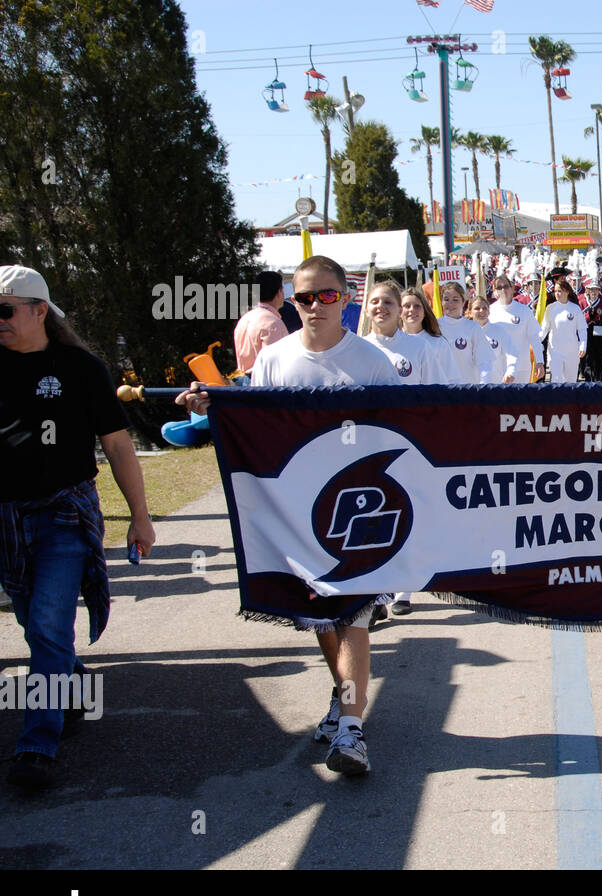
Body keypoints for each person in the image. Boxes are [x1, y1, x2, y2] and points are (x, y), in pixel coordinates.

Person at [177, 255, 400, 777]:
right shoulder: (274, 360)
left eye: (327, 295)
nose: (315, 306)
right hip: (299, 510)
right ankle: (342, 699)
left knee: (354, 613)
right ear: (291, 300)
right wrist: (211, 408)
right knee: (322, 615)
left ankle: (351, 728)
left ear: (345, 299)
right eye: (304, 297)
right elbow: (256, 425)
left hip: (362, 508)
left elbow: (406, 431)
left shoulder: (371, 361)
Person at [0, 265, 156, 789]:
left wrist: (140, 516)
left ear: (40, 311)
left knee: (47, 623)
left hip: (65, 511)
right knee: (32, 621)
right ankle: (69, 684)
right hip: (6, 516)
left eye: (5, 311)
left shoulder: (81, 368)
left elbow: (116, 445)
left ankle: (36, 746)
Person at [364, 280, 449, 385]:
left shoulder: (420, 347)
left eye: (388, 302)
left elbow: (438, 392)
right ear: (366, 310)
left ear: (400, 311)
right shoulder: (358, 348)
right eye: (374, 301)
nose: (381, 305)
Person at [436, 282, 495, 384]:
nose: (450, 304)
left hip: (467, 389)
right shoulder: (434, 327)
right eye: (446, 299)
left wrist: (484, 386)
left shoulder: (472, 327)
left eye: (455, 300)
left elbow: (484, 361)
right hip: (441, 389)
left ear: (463, 302)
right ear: (441, 302)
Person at [489, 276, 544, 382]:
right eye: (499, 287)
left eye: (506, 286)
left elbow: (534, 337)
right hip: (498, 368)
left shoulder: (524, 310)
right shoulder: (489, 311)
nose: (503, 290)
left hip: (521, 367)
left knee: (521, 398)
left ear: (512, 288)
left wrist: (540, 362)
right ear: (494, 291)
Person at [233, 271, 289, 373]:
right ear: (279, 292)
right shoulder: (272, 323)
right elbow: (276, 364)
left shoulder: (244, 319)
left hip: (243, 383)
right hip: (264, 384)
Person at [541, 277, 587, 383]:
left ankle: (570, 400)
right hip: (555, 351)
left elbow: (582, 329)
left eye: (560, 291)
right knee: (556, 381)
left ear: (567, 292)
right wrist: (535, 341)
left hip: (572, 351)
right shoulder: (550, 308)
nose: (557, 294)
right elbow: (544, 329)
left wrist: (583, 346)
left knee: (570, 381)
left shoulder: (575, 308)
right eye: (555, 291)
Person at [468, 293, 512, 383]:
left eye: (485, 308)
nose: (482, 311)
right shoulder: (464, 333)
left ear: (489, 311)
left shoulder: (499, 331)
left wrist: (510, 371)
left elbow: (512, 353)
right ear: (470, 312)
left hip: (495, 385)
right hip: (469, 385)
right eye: (477, 308)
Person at [577, 276, 602, 382]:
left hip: (599, 332)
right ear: (587, 290)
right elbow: (578, 318)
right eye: (591, 289)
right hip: (586, 331)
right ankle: (588, 379)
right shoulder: (581, 301)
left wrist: (600, 320)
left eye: (596, 289)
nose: (593, 292)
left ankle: (599, 379)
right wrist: (588, 317)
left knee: (600, 356)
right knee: (587, 357)